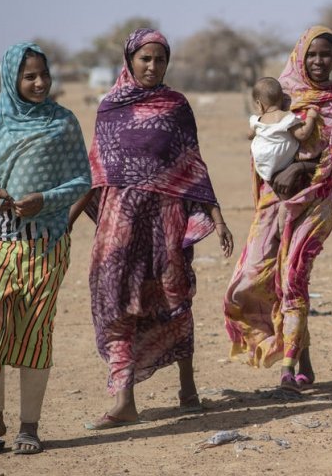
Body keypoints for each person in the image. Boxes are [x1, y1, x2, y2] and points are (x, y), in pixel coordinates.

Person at [72, 28, 234, 430]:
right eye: (145, 58)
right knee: (116, 299)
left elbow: (192, 164)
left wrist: (217, 217)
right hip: (119, 222)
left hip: (166, 220)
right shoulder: (109, 106)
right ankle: (124, 398)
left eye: (160, 59)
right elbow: (96, 170)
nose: (152, 66)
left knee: (172, 295)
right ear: (129, 60)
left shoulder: (176, 105)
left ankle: (188, 386)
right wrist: (70, 217)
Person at [0, 42, 91, 455]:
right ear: (11, 79)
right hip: (2, 240)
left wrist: (45, 201)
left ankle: (28, 427)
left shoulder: (63, 123)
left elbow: (82, 181)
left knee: (34, 333)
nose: (38, 82)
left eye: (43, 75)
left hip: (46, 244)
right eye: (29, 76)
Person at [224, 26, 332, 392]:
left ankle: (287, 369)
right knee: (255, 274)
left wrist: (302, 168)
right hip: (275, 198)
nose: (319, 61)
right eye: (312, 54)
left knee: (294, 274)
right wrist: (278, 173)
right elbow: (262, 143)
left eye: (326, 54)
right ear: (300, 55)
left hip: (318, 196)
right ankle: (305, 360)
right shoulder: (282, 93)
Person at [246, 76, 318, 182]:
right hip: (281, 161)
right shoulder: (287, 117)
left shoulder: (257, 120)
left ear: (259, 104)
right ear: (283, 99)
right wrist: (311, 117)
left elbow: (249, 135)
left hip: (262, 160)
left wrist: (253, 132)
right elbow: (302, 134)